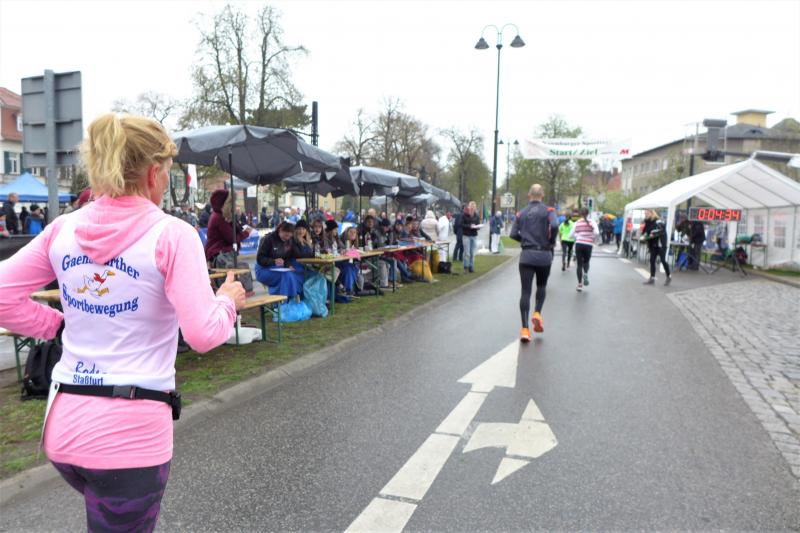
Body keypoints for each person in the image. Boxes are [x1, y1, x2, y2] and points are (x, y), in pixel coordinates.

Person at [0, 113, 245, 532]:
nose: (165, 181)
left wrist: (57, 326)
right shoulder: (172, 234)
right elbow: (203, 334)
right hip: (128, 439)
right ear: (152, 173)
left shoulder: (63, 230)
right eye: (166, 172)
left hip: (64, 427)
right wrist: (227, 302)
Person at [510, 184, 559, 342]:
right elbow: (555, 225)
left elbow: (512, 234)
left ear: (529, 195)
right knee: (541, 286)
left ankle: (525, 329)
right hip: (544, 255)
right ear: (542, 195)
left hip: (527, 255)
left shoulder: (521, 213)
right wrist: (551, 241)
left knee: (525, 292)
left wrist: (524, 240)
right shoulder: (549, 211)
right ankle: (537, 313)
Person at [204, 189, 255, 295]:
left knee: (240, 269)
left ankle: (242, 293)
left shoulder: (222, 216)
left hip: (222, 253)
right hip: (219, 255)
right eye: (232, 202)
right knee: (240, 268)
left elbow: (235, 231)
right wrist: (246, 233)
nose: (234, 205)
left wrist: (236, 218)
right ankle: (242, 293)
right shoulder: (219, 218)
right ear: (226, 204)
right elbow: (232, 238)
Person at [255, 221, 308, 299]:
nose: (287, 238)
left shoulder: (289, 241)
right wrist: (273, 261)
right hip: (263, 269)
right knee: (287, 275)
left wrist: (288, 265)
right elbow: (260, 258)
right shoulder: (268, 239)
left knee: (297, 273)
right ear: (280, 230)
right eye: (286, 235)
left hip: (279, 268)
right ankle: (284, 300)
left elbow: (287, 258)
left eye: (289, 236)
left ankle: (293, 298)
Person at [569, 207, 599, 291]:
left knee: (579, 264)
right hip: (588, 244)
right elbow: (597, 233)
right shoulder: (592, 222)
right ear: (588, 214)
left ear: (580, 214)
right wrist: (594, 240)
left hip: (579, 244)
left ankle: (579, 284)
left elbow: (570, 235)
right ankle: (585, 273)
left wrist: (577, 236)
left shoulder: (577, 223)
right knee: (586, 261)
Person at [642, 209, 671, 285]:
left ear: (652, 213)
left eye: (647, 213)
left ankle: (668, 276)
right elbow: (645, 232)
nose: (646, 215)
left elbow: (661, 230)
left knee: (663, 261)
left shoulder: (658, 221)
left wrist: (652, 234)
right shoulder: (647, 222)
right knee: (652, 260)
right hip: (653, 244)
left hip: (661, 244)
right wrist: (643, 235)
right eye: (645, 214)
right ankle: (652, 278)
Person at [461, 201, 480, 273]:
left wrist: (477, 227)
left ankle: (471, 266)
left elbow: (478, 224)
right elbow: (461, 224)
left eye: (473, 207)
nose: (472, 208)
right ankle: (465, 267)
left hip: (474, 235)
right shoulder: (464, 215)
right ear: (469, 207)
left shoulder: (476, 215)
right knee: (467, 253)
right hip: (466, 235)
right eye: (471, 207)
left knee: (472, 252)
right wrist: (469, 226)